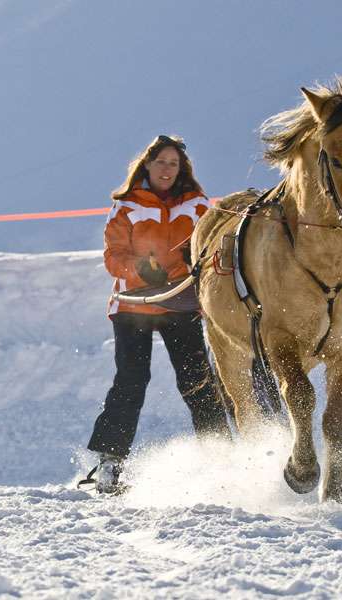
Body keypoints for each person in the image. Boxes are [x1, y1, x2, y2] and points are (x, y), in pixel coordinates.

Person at [85, 135, 231, 494]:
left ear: (182, 170)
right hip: (133, 303)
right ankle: (110, 463)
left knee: (197, 380)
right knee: (132, 380)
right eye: (161, 162)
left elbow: (215, 247)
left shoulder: (197, 205)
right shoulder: (127, 205)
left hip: (180, 302)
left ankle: (223, 462)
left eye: (174, 164)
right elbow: (112, 255)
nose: (167, 169)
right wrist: (139, 268)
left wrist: (196, 262)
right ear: (147, 164)